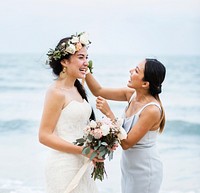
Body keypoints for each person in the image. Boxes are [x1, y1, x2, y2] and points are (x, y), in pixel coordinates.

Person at [85, 58, 166, 193]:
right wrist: (85, 69)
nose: (130, 71)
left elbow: (127, 143)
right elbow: (98, 90)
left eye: (136, 71)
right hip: (128, 167)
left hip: (145, 170)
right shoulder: (131, 95)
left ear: (145, 83)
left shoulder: (151, 110)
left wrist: (109, 113)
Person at [38, 32, 101, 193]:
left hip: (82, 163)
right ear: (64, 61)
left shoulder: (77, 89)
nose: (86, 63)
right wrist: (84, 151)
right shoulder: (56, 92)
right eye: (81, 57)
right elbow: (45, 136)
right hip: (63, 166)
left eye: (87, 57)